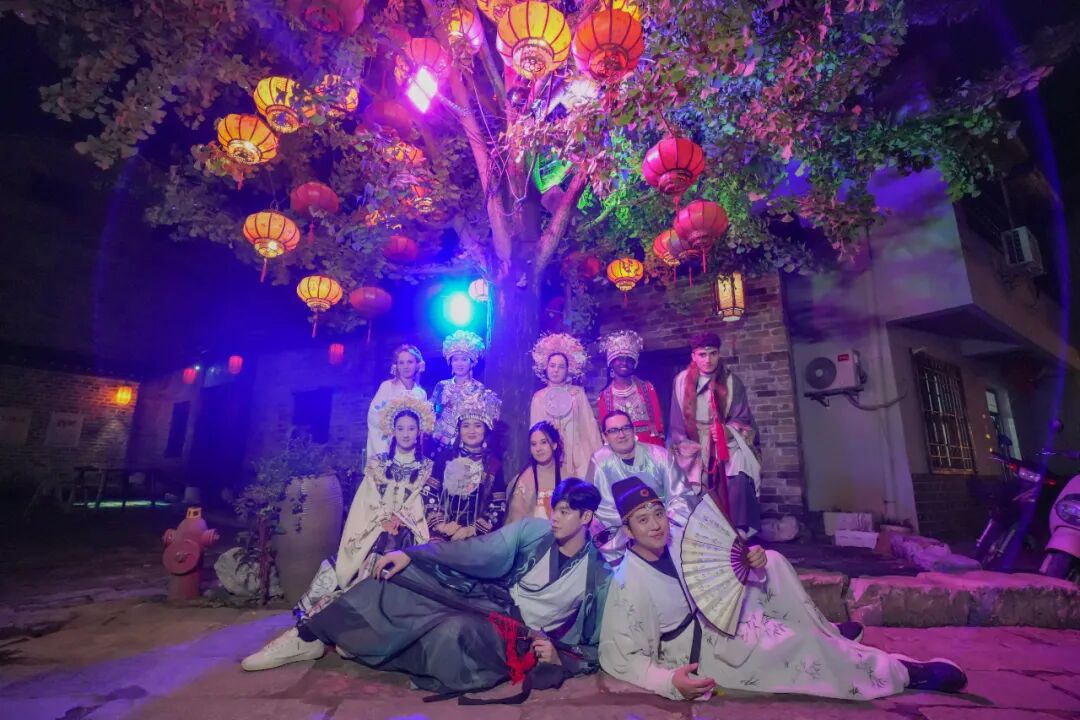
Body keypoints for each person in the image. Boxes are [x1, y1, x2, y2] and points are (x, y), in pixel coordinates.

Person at [240, 479, 613, 701]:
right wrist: (413, 554)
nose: (555, 518)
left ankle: (360, 643)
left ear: (587, 517)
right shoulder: (534, 532)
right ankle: (310, 635)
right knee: (407, 577)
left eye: (565, 512)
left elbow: (593, 646)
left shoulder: (599, 575)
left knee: (453, 632)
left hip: (516, 637)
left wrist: (558, 657)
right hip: (489, 601)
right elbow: (477, 551)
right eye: (555, 509)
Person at [599, 478, 968, 702]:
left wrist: (751, 560)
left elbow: (720, 572)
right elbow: (622, 657)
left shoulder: (678, 542)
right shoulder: (629, 580)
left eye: (658, 514)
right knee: (800, 646)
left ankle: (824, 632)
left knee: (772, 562)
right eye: (643, 520)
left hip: (716, 615)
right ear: (627, 531)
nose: (656, 525)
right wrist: (670, 681)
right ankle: (903, 672)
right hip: (703, 649)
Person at [242, 396, 436, 671]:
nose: (406, 434)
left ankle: (345, 636)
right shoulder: (377, 465)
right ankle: (306, 635)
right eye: (400, 428)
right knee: (339, 571)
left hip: (406, 535)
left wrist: (401, 519)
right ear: (392, 431)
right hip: (373, 529)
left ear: (419, 432)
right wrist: (382, 519)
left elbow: (422, 503)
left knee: (376, 578)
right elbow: (366, 500)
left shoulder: (427, 468)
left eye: (411, 428)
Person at [669, 332, 762, 535]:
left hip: (724, 440)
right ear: (694, 356)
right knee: (687, 477)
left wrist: (726, 431)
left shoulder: (732, 382)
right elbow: (676, 422)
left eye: (713, 353)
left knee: (740, 468)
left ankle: (738, 531)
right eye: (702, 354)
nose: (708, 360)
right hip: (693, 440)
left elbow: (742, 418)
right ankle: (698, 534)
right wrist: (684, 443)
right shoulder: (681, 381)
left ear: (719, 354)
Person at [586, 410, 699, 562]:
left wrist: (661, 525)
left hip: (665, 529)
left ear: (633, 430)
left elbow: (682, 496)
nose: (621, 435)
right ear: (605, 436)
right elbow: (602, 510)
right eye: (613, 431)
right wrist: (635, 530)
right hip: (626, 537)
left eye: (625, 428)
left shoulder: (660, 456)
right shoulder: (600, 461)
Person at [424, 387, 507, 541]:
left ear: (485, 430)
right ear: (459, 430)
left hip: (477, 537)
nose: (471, 431)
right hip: (443, 533)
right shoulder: (446, 457)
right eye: (466, 425)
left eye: (477, 425)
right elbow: (429, 492)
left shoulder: (493, 465)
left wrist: (472, 529)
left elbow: (498, 504)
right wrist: (441, 525)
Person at [529, 333, 603, 478]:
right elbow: (535, 430)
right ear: (546, 367)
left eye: (561, 367)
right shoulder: (539, 397)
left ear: (568, 370)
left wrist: (600, 455)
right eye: (552, 366)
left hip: (579, 453)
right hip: (551, 453)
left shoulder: (577, 393)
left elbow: (589, 425)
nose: (556, 370)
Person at [597, 330, 665, 446]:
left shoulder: (647, 388)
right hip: (620, 447)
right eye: (619, 359)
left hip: (649, 445)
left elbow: (658, 424)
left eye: (629, 360)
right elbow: (606, 431)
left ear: (635, 364)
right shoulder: (604, 396)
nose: (624, 363)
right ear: (611, 363)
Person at [367, 344, 428, 461]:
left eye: (410, 362)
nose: (406, 366)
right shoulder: (387, 387)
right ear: (396, 366)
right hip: (388, 445)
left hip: (412, 448)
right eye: (401, 363)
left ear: (417, 364)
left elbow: (423, 424)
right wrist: (384, 445)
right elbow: (374, 417)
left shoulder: (420, 393)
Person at [431, 330, 487, 449]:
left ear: (472, 363)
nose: (459, 363)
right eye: (455, 359)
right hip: (437, 442)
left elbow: (480, 420)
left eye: (464, 359)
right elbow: (431, 412)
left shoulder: (478, 388)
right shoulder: (442, 385)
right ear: (450, 362)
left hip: (463, 444)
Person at [507, 421, 563, 522]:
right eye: (534, 444)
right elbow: (517, 522)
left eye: (543, 442)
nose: (538, 449)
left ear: (554, 445)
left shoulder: (567, 476)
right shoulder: (524, 480)